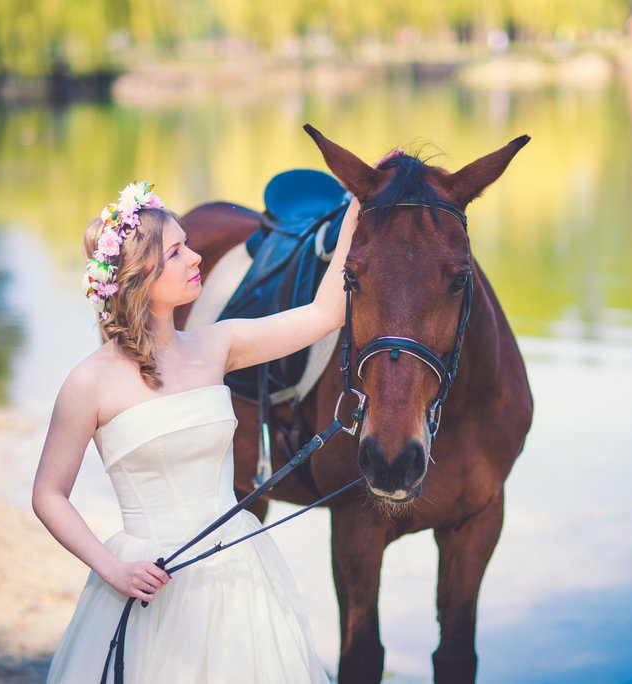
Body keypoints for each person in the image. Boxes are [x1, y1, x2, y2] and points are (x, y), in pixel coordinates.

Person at [33, 150, 399, 683]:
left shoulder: (217, 345)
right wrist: (112, 568)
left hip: (237, 573)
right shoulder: (88, 383)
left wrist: (356, 210)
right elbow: (48, 494)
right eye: (177, 252)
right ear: (140, 276)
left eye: (187, 246)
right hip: (147, 579)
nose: (195, 258)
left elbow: (325, 314)